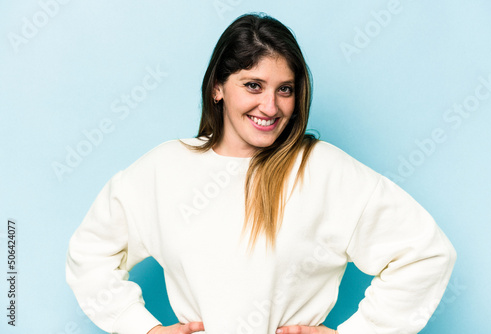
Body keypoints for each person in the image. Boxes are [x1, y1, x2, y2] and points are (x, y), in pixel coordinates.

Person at [65, 13, 456, 334]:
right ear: (218, 87)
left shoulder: (323, 170)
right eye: (253, 85)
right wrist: (141, 329)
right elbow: (90, 255)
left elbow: (425, 254)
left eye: (285, 89)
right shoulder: (164, 169)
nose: (270, 107)